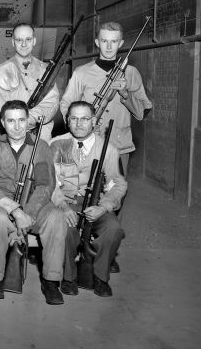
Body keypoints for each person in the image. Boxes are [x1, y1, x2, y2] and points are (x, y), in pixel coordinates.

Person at [0, 100, 66, 304]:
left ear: (28, 121)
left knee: (56, 217)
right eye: (11, 120)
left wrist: (27, 213)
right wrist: (16, 212)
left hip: (33, 205)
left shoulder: (41, 147)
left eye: (22, 120)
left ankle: (51, 280)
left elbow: (45, 185)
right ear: (2, 122)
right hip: (1, 205)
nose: (17, 126)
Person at [50, 101, 126, 297]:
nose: (79, 123)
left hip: (95, 204)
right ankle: (68, 277)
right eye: (74, 118)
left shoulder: (108, 149)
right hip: (65, 202)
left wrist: (103, 207)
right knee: (64, 228)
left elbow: (118, 184)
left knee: (114, 229)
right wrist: (63, 206)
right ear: (67, 121)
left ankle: (100, 277)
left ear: (94, 121)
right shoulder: (56, 144)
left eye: (85, 119)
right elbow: (49, 183)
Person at [59, 21, 152, 178]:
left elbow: (142, 112)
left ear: (120, 43)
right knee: (85, 194)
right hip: (87, 145)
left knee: (115, 197)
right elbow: (66, 105)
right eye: (104, 41)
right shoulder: (81, 73)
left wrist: (125, 93)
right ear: (97, 42)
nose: (109, 47)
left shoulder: (131, 73)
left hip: (119, 145)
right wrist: (80, 128)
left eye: (114, 41)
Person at [0, 23, 60, 141]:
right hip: (10, 134)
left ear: (34, 41)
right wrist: (18, 122)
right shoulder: (1, 71)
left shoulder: (47, 70)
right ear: (13, 42)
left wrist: (27, 120)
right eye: (19, 40)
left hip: (40, 135)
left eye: (28, 39)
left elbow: (51, 102)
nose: (24, 44)